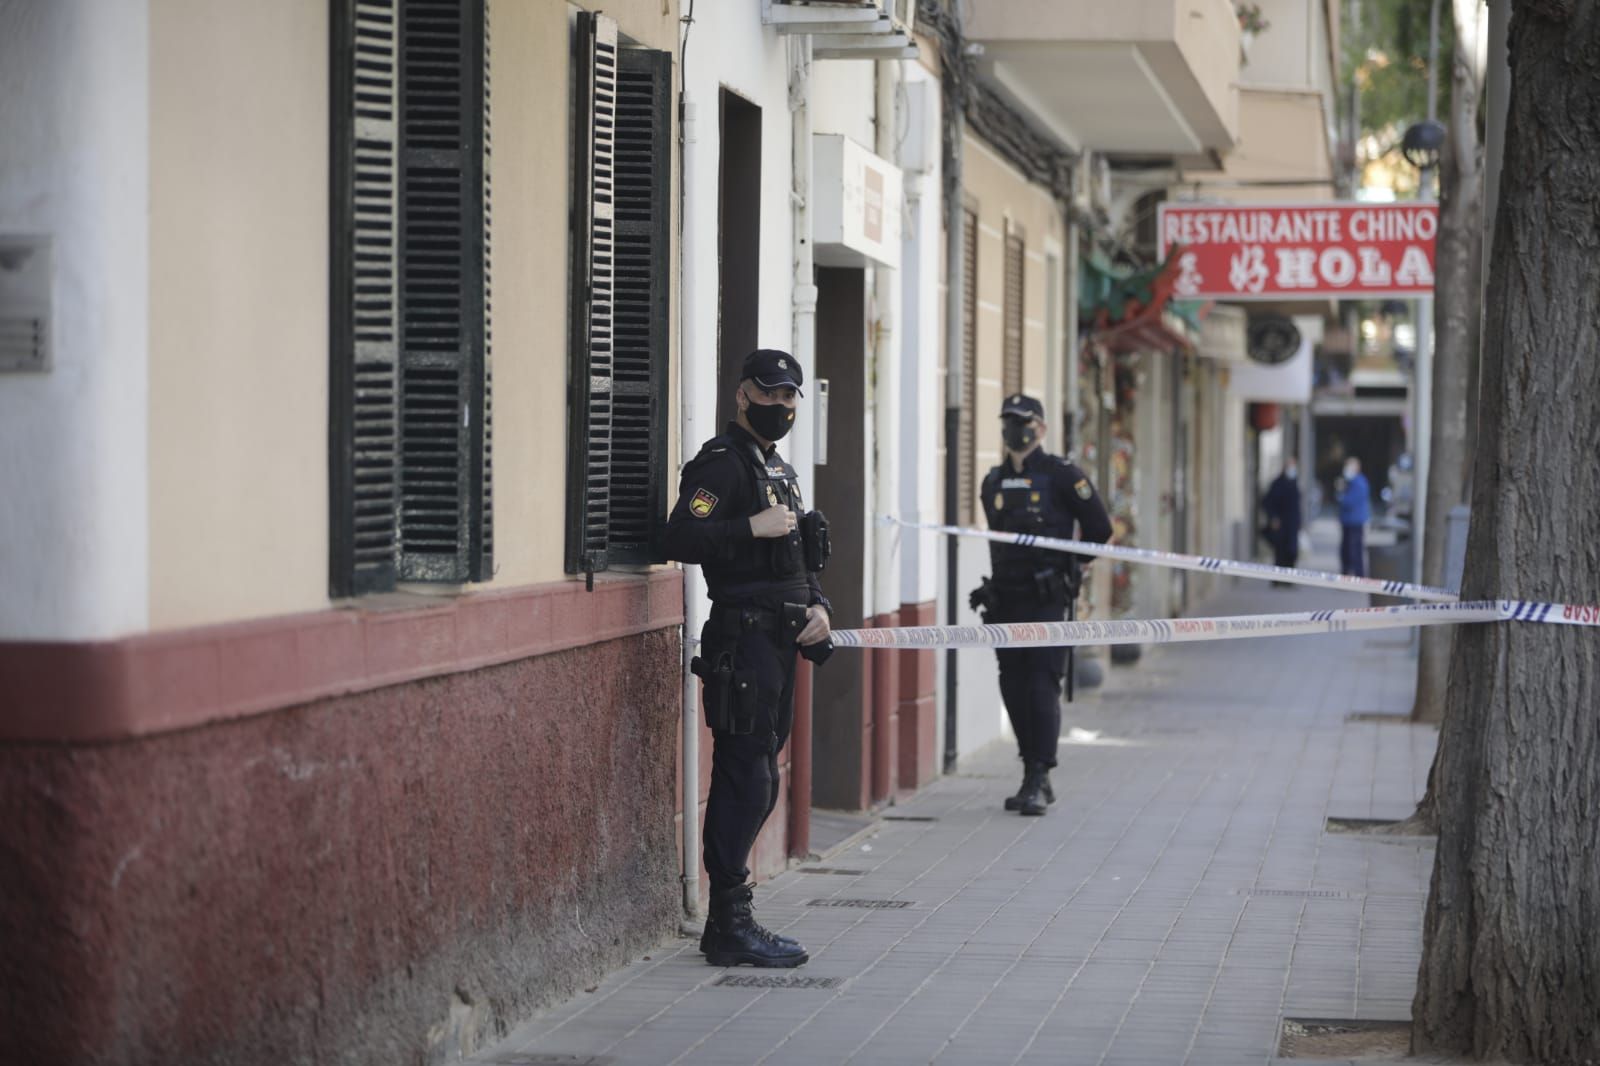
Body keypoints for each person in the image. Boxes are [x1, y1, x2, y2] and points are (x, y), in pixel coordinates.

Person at [662, 348, 833, 969]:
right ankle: (728, 922)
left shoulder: (778, 468)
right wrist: (747, 529)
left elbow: (800, 555)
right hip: (743, 639)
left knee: (764, 772)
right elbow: (678, 534)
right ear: (743, 396)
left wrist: (820, 607)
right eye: (769, 394)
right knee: (746, 774)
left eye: (790, 396)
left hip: (782, 641)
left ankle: (732, 917)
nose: (781, 406)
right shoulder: (722, 466)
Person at [969, 394, 1112, 817]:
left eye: (1024, 421)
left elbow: (1100, 529)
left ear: (1042, 428)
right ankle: (1029, 770)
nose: (1016, 429)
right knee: (1012, 684)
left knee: (1040, 683)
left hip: (1046, 599)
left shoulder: (1062, 475)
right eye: (1009, 421)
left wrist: (1071, 568)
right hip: (1006, 599)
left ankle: (1040, 775)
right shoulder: (993, 481)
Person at [1261, 458, 1303, 581]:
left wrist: (1299, 522)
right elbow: (1267, 502)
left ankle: (1289, 579)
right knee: (1280, 552)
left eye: (1293, 466)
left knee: (1292, 552)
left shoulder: (1294, 483)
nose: (1292, 469)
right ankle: (1278, 580)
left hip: (1292, 524)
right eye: (1290, 466)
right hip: (1281, 524)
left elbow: (1297, 506)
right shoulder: (1277, 484)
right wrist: (1273, 517)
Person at [1336, 456, 1371, 577]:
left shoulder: (1359, 483)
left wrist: (1341, 496)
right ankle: (1347, 573)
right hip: (1348, 521)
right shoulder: (1350, 482)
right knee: (1346, 550)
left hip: (1355, 522)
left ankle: (1357, 575)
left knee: (1354, 551)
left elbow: (1349, 502)